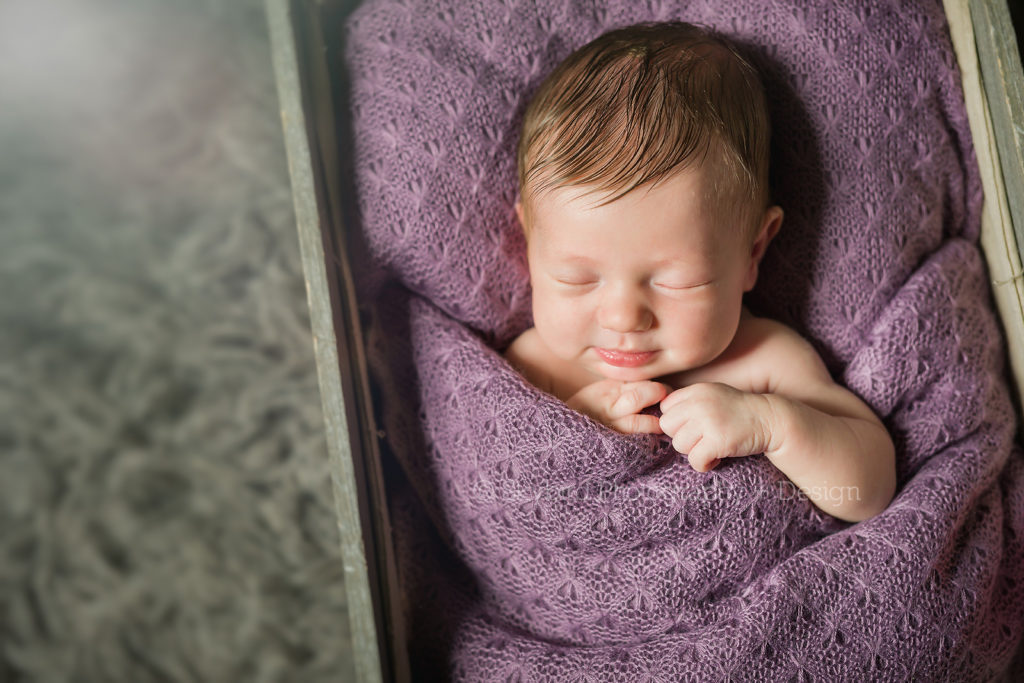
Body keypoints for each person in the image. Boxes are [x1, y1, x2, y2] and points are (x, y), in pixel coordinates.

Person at [504, 21, 895, 523]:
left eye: (675, 281)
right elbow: (499, 492)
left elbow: (869, 492)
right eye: (577, 278)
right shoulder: (534, 369)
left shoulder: (766, 362)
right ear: (530, 243)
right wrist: (579, 434)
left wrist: (774, 425)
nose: (624, 317)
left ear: (753, 252)